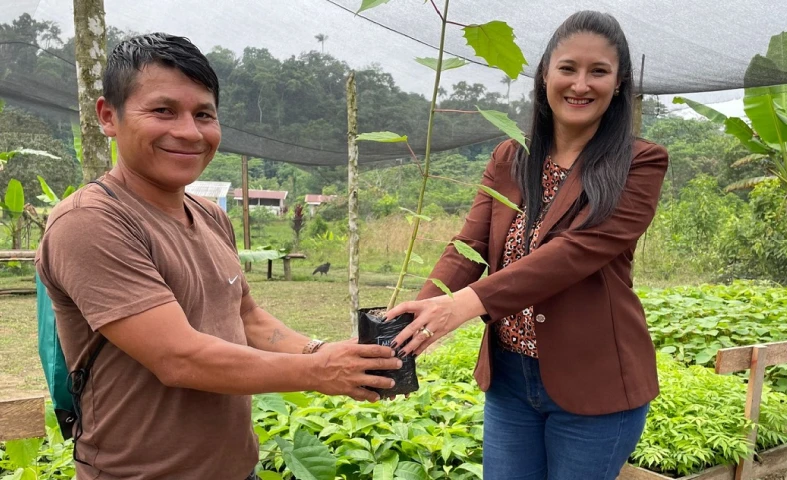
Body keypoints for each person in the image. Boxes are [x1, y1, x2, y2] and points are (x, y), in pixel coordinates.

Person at [35, 33, 401, 480]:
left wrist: (324, 351)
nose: (189, 132)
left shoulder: (208, 215)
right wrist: (320, 371)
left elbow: (248, 318)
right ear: (108, 116)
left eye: (203, 114)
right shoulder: (91, 222)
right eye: (163, 110)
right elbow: (179, 358)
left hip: (235, 468)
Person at [386, 11, 669, 480]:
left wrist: (466, 305)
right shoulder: (510, 156)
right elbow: (468, 245)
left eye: (598, 71)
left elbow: (577, 252)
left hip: (595, 383)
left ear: (618, 83)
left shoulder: (640, 162)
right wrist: (420, 316)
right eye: (568, 68)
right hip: (510, 381)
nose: (581, 84)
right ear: (544, 74)